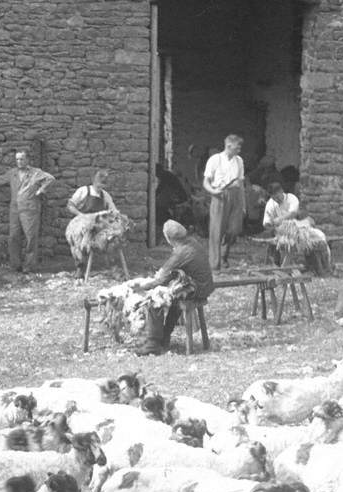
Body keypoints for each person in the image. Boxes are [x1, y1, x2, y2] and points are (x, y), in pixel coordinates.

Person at [136, 219, 214, 357]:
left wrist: (141, 287)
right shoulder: (192, 243)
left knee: (156, 298)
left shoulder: (182, 252)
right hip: (204, 285)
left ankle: (153, 343)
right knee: (171, 294)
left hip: (196, 288)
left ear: (169, 238)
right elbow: (171, 270)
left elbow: (161, 277)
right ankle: (164, 337)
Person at [0, 149, 54, 274]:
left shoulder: (35, 173)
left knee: (31, 237)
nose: (19, 162)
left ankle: (29, 266)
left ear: (27, 160)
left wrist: (41, 191)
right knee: (14, 237)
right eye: (17, 159)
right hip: (15, 208)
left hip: (30, 208)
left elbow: (51, 179)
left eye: (22, 159)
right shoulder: (13, 173)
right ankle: (15, 265)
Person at [66, 169, 121, 279]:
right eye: (99, 180)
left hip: (98, 223)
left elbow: (113, 210)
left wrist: (114, 214)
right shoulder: (83, 191)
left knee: (111, 238)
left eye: (104, 181)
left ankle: (114, 268)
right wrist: (81, 215)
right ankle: (80, 267)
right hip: (82, 222)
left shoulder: (105, 195)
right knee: (78, 239)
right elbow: (70, 205)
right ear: (93, 180)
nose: (101, 183)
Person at [202, 134, 246, 269]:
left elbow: (241, 183)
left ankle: (224, 255)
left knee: (234, 229)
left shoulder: (239, 161)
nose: (239, 151)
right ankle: (215, 265)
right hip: (220, 194)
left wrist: (243, 204)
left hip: (235, 195)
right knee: (217, 230)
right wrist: (213, 191)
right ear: (228, 146)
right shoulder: (215, 159)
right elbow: (206, 182)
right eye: (237, 148)